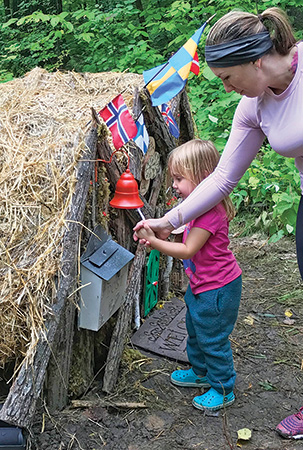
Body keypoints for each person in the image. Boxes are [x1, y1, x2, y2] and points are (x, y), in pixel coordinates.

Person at [134, 7, 303, 438]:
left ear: (257, 61)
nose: (226, 89)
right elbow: (224, 177)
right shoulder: (253, 105)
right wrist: (168, 221)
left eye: (228, 77)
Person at [136, 139, 242, 411]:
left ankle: (222, 388)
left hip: (217, 288)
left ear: (203, 178)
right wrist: (157, 228)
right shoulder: (196, 208)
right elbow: (179, 229)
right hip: (203, 284)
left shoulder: (209, 213)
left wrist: (154, 242)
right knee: (195, 329)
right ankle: (200, 371)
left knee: (212, 338)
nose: (174, 185)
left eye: (179, 179)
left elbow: (187, 249)